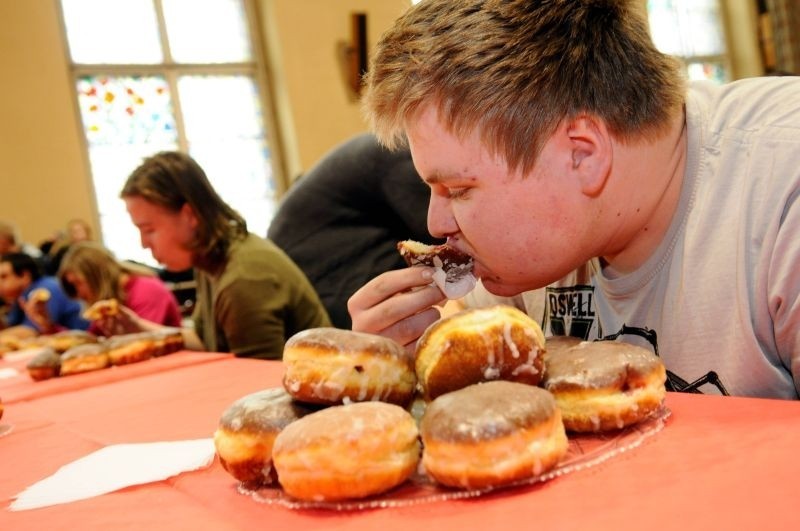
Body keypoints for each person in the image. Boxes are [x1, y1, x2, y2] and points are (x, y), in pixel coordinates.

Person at [349, 0, 800, 399]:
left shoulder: (782, 193)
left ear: (582, 155)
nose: (434, 223)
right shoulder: (521, 260)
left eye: (459, 190)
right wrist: (403, 370)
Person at [118, 151, 331, 360]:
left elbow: (261, 381)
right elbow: (202, 340)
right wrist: (140, 327)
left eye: (148, 230)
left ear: (189, 215)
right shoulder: (210, 260)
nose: (143, 244)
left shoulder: (243, 277)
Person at [268, 133, 442, 329]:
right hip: (324, 274)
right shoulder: (404, 155)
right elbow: (439, 236)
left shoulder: (398, 145)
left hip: (315, 260)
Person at [57, 241, 182, 336]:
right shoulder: (110, 299)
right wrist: (48, 326)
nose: (79, 293)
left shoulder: (146, 290)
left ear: (96, 276)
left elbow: (144, 343)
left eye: (78, 283)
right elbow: (92, 341)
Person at [0, 252, 89, 334]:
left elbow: (31, 332)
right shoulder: (20, 296)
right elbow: (10, 325)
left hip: (85, 340)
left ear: (24, 275)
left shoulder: (45, 290)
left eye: (4, 277)